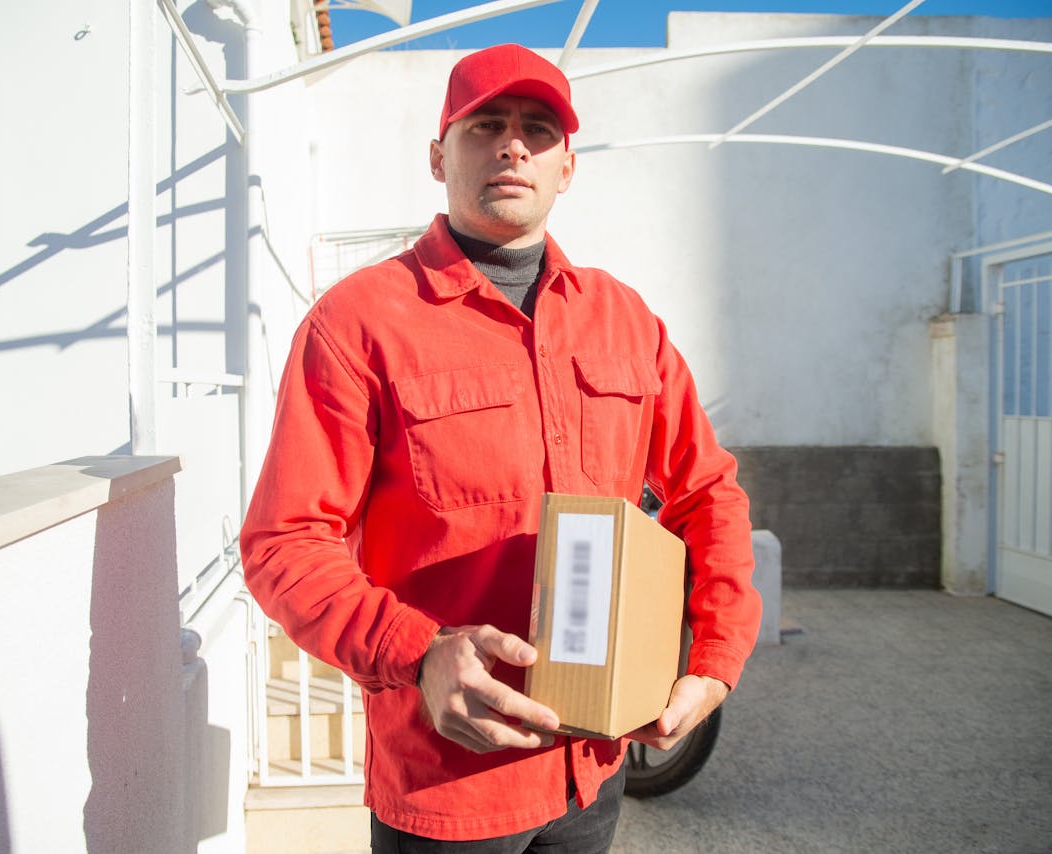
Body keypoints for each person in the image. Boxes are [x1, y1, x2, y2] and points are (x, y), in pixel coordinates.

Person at [241, 43, 761, 852]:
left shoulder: (626, 322)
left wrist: (715, 657)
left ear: (566, 167)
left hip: (594, 767)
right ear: (438, 155)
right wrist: (419, 653)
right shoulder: (357, 326)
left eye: (538, 129)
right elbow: (285, 545)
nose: (513, 145)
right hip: (447, 788)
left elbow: (709, 494)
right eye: (485, 124)